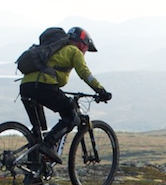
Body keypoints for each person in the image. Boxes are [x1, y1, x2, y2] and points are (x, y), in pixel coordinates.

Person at [18, 26, 110, 166]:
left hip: (26, 87)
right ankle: (49, 145)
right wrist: (101, 91)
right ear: (81, 43)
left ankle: (34, 173)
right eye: (86, 48)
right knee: (71, 116)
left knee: (38, 131)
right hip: (44, 86)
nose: (85, 52)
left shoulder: (52, 50)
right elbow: (85, 73)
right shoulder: (73, 51)